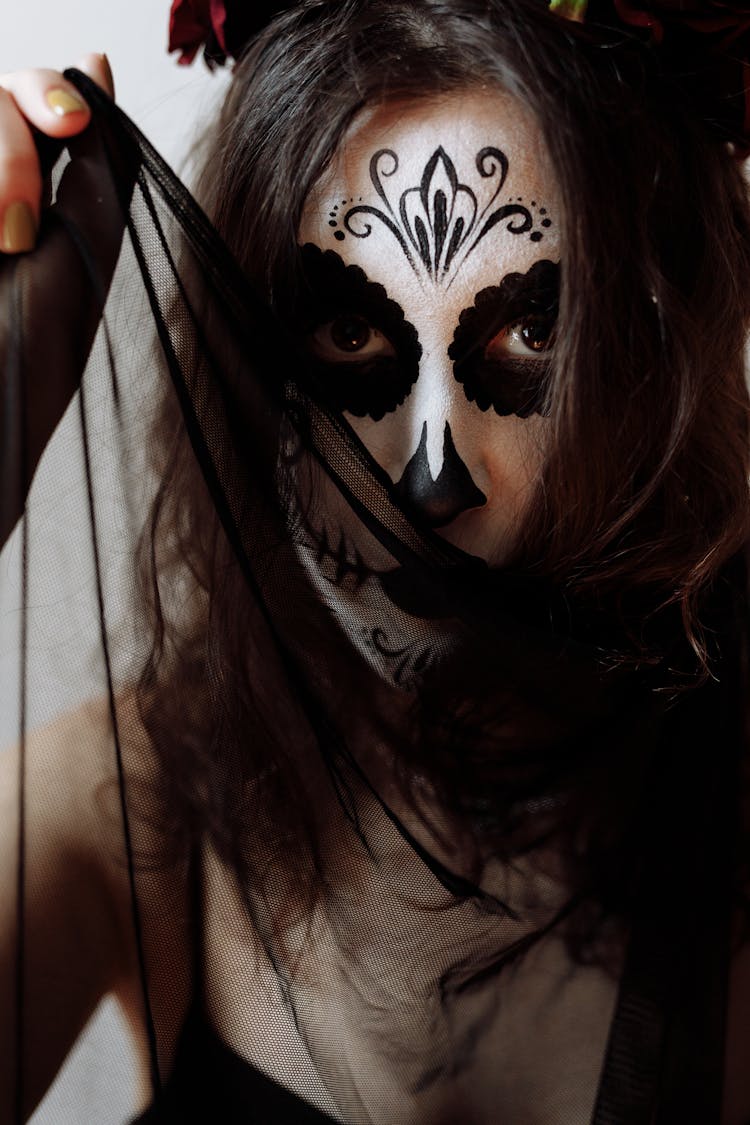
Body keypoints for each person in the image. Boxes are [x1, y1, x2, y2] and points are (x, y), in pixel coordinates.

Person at [1, 1, 750, 1122]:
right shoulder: (129, 800)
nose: (428, 481)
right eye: (348, 336)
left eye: (529, 333)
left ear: (651, 346)